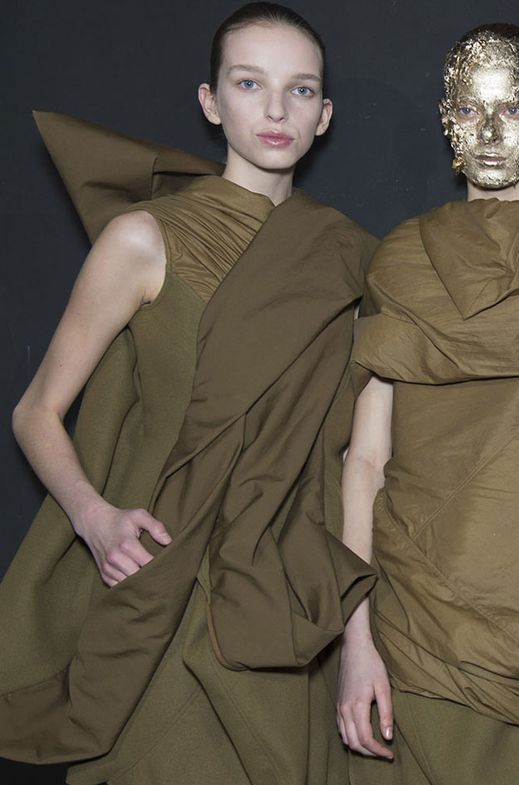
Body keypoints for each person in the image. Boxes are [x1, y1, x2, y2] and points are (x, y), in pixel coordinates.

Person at [0, 3, 377, 784]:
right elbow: (35, 410)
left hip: (285, 599)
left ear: (325, 115)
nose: (276, 110)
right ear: (211, 102)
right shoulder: (142, 238)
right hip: (163, 585)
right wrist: (94, 517)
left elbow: (357, 454)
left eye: (300, 91)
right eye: (250, 83)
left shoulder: (353, 260)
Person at [337, 23, 519, 784]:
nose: (494, 134)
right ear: (446, 117)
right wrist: (355, 639)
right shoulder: (401, 259)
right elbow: (366, 460)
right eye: (472, 112)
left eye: (514, 109)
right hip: (412, 629)